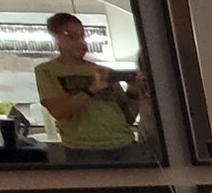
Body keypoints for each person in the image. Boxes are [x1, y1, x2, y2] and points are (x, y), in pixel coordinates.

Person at [34, 13, 148, 164]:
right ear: (55, 38)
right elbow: (58, 111)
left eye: (82, 36)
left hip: (125, 143)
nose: (81, 42)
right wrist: (91, 89)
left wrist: (133, 91)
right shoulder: (46, 70)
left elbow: (128, 118)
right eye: (71, 36)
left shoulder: (103, 70)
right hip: (85, 149)